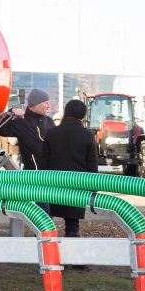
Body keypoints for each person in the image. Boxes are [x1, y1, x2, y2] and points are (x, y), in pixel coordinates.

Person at [44, 99, 98, 239]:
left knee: (46, 219)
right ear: (83, 115)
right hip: (77, 183)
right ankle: (72, 253)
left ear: (66, 112)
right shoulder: (87, 135)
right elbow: (92, 163)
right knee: (72, 224)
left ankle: (47, 244)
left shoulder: (52, 133)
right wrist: (93, 188)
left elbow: (44, 161)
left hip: (54, 183)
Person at [0, 89, 55, 170]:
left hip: (52, 173)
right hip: (32, 174)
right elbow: (0, 130)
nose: (49, 106)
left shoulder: (49, 120)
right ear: (36, 104)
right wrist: (11, 112)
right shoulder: (22, 122)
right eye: (46, 103)